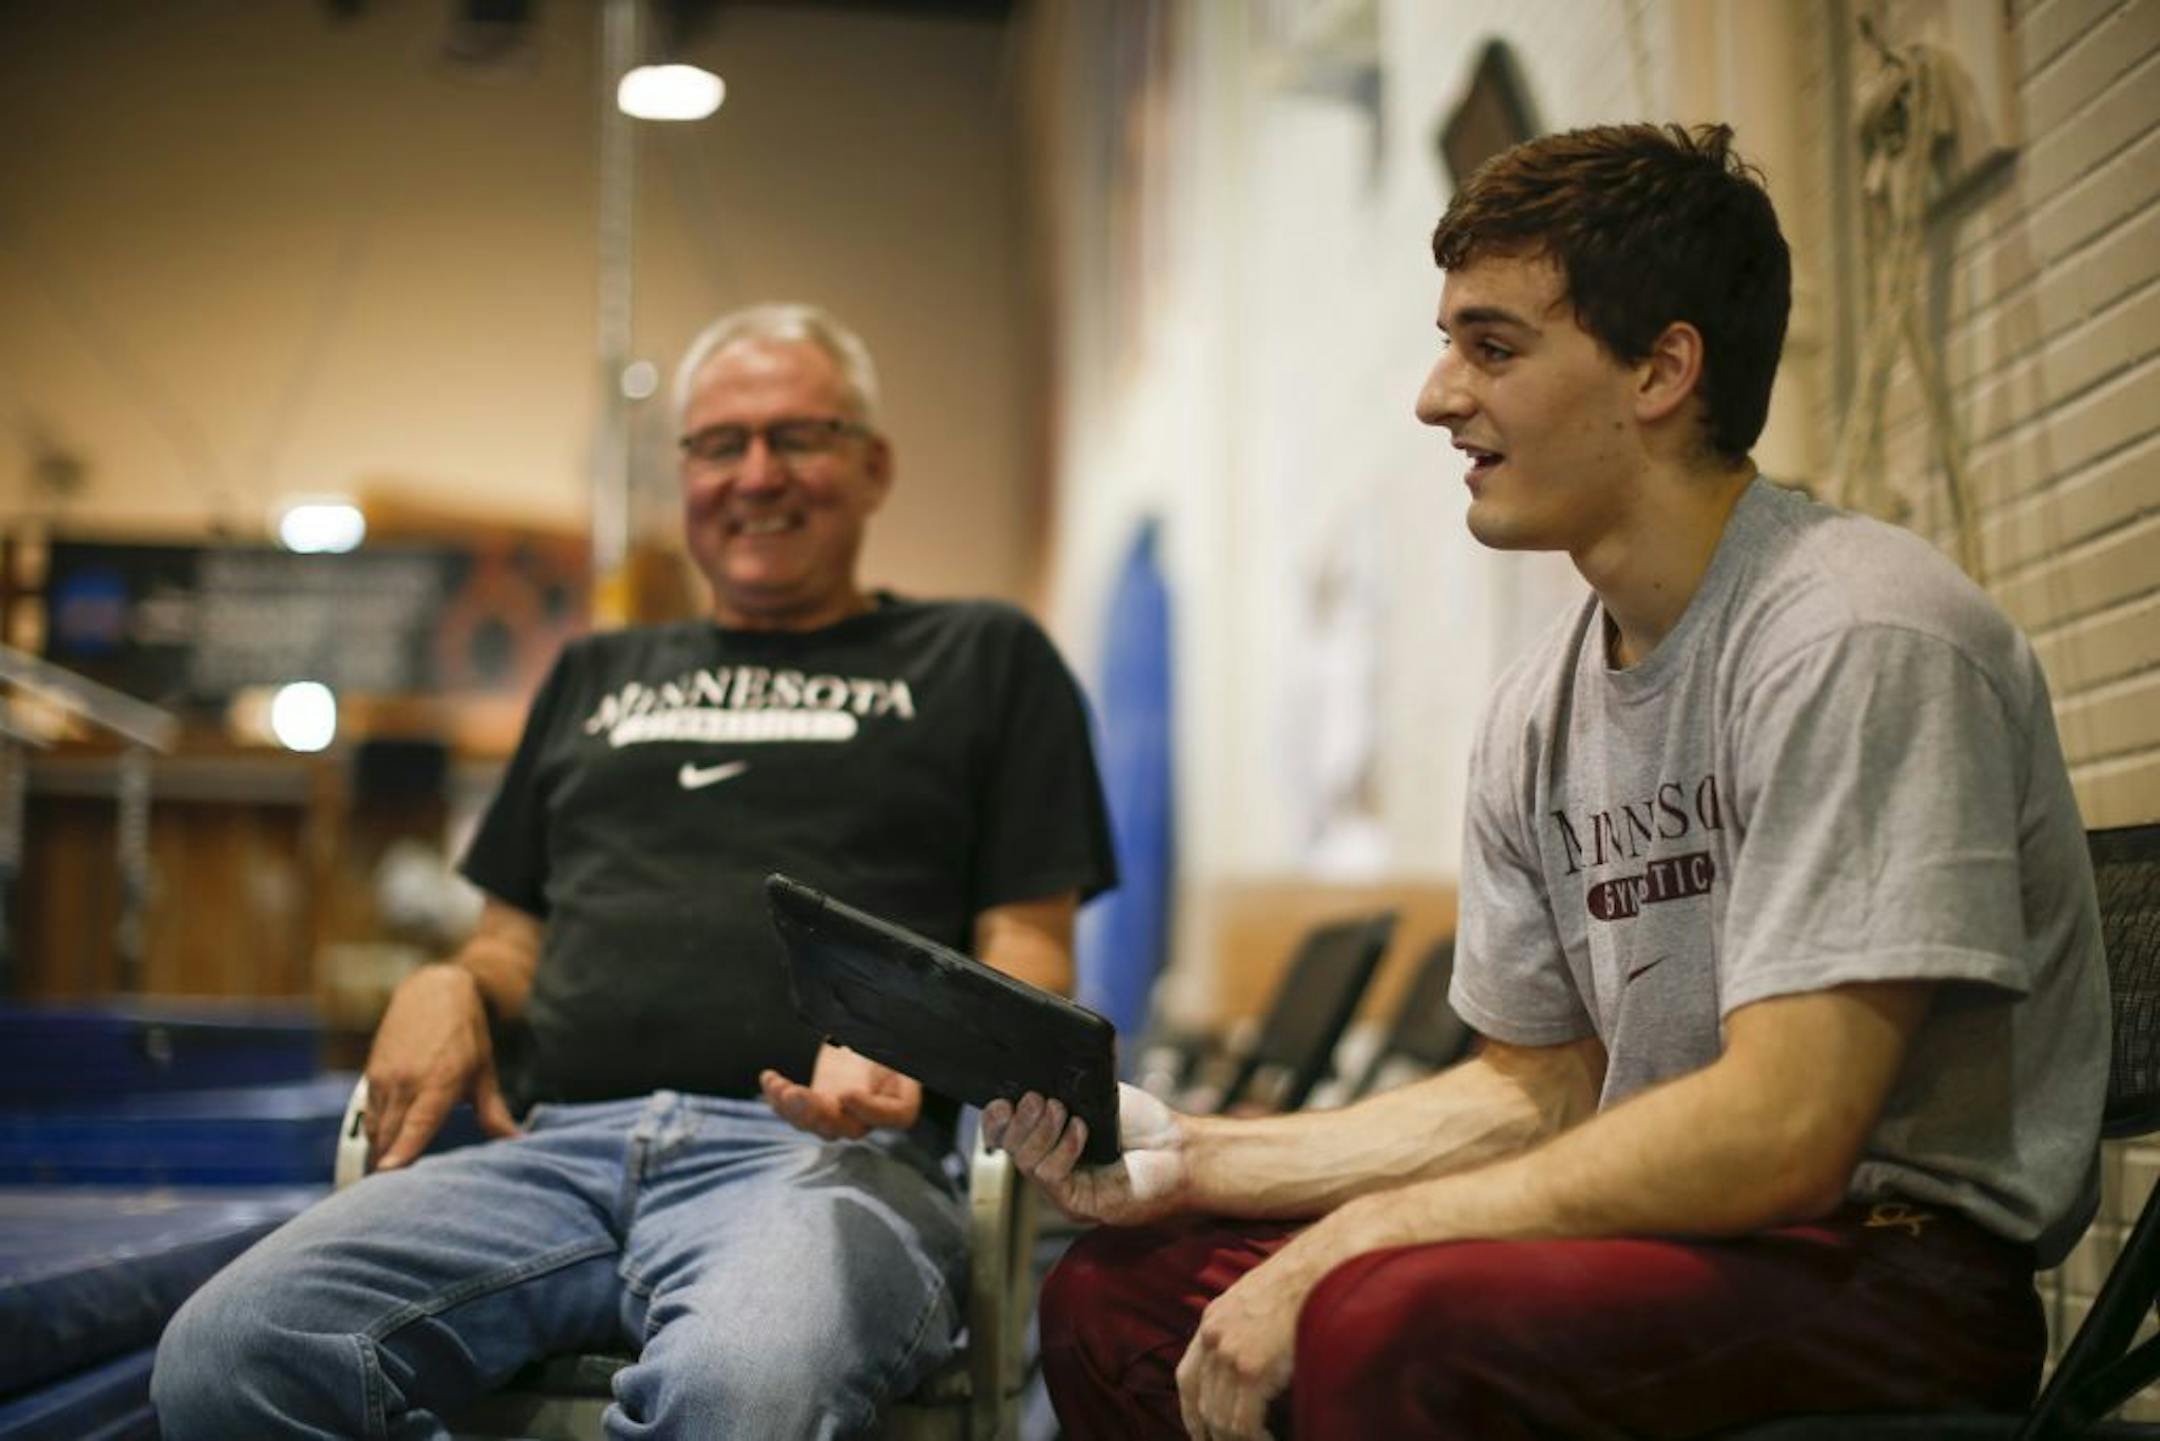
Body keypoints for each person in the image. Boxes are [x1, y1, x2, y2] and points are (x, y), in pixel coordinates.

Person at [986, 123, 2108, 1441]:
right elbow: (1536, 1089)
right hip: (1674, 1236)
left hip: (1889, 1262)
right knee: (1121, 1298)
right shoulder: (1538, 703)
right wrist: (1195, 1158)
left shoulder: (1858, 636)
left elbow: (1789, 1126)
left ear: (1661, 369)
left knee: (1379, 1322)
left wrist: (1355, 1238)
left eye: (1494, 348)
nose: (1435, 395)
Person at [153, 303, 1117, 1439]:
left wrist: (918, 1029)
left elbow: (1032, 943)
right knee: (230, 1358)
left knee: (744, 1392)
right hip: (547, 1152)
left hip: (817, 1167)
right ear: (686, 475)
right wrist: (447, 984)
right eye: (720, 444)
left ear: (872, 465)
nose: (756, 474)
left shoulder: (984, 657)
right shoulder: (594, 671)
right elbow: (509, 942)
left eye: (798, 436)